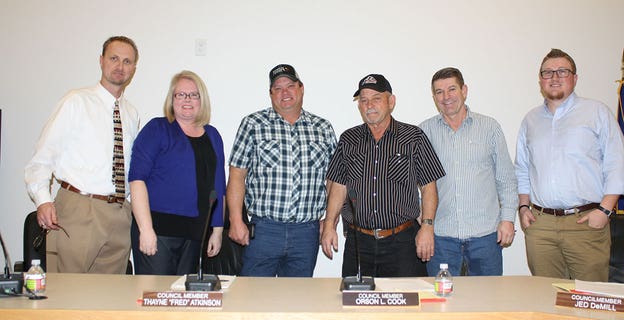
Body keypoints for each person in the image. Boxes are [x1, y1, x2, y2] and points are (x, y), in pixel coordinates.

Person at [24, 36, 140, 273]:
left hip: (118, 214)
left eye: (127, 61)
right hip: (79, 208)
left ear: (134, 69)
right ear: (101, 61)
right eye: (114, 59)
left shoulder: (131, 113)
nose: (120, 67)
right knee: (67, 296)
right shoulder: (76, 101)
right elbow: (42, 158)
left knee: (108, 299)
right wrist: (43, 200)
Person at [515, 48, 624, 281]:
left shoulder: (596, 112)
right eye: (548, 72)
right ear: (540, 80)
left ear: (575, 78)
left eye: (562, 71)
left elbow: (618, 164)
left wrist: (605, 210)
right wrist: (523, 207)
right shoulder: (530, 120)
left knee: (589, 299)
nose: (555, 77)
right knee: (545, 299)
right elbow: (522, 168)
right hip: (541, 226)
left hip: (586, 223)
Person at [321, 74, 445, 277]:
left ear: (391, 101)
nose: (369, 105)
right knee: (355, 304)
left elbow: (428, 186)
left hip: (402, 243)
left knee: (406, 304)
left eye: (376, 98)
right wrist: (328, 226)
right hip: (359, 244)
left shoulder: (413, 137)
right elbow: (338, 187)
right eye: (363, 100)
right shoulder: (348, 139)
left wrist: (427, 227)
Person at [227, 64, 337, 277]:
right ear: (270, 94)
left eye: (290, 86)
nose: (284, 92)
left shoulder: (323, 128)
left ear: (301, 88)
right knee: (253, 297)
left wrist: (331, 222)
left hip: (307, 232)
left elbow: (334, 181)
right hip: (264, 230)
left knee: (297, 301)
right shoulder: (253, 124)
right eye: (277, 88)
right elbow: (237, 175)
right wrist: (235, 220)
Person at [419, 67, 518, 276]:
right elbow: (415, 185)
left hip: (485, 237)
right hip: (441, 238)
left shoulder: (489, 128)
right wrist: (423, 226)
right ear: (433, 96)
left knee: (487, 304)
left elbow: (506, 179)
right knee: (442, 304)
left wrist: (508, 219)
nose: (446, 97)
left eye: (452, 89)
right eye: (439, 92)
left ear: (464, 90)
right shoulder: (424, 132)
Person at [128, 70, 226, 275]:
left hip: (195, 235)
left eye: (193, 95)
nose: (187, 100)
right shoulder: (157, 129)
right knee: (155, 298)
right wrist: (145, 230)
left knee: (184, 300)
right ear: (172, 99)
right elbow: (137, 179)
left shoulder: (213, 135)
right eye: (180, 94)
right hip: (157, 232)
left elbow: (218, 186)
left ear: (202, 100)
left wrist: (217, 231)